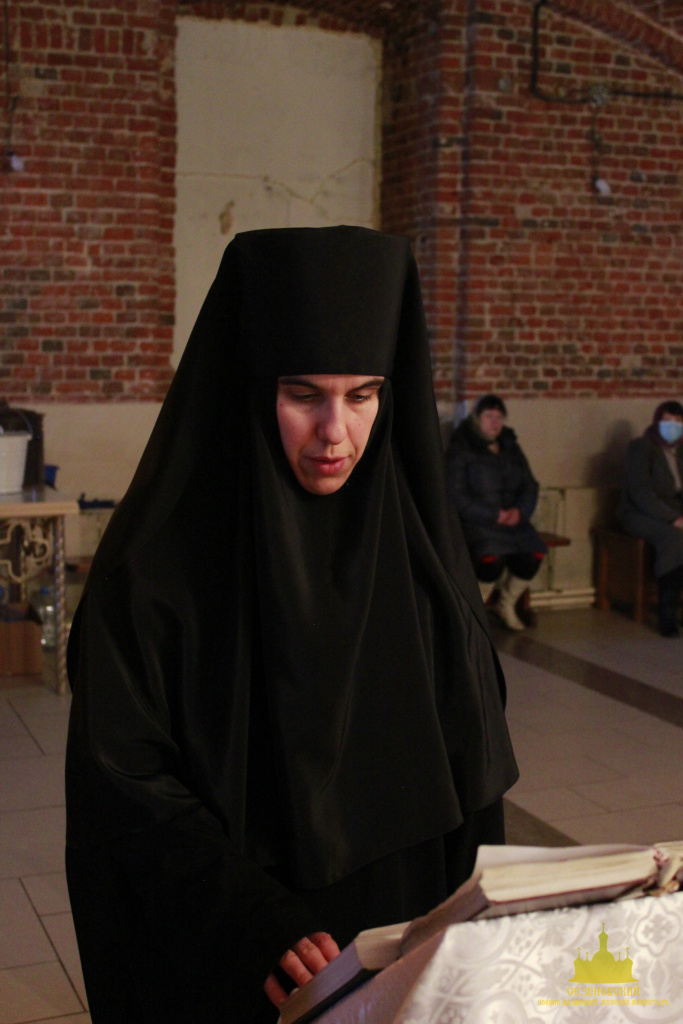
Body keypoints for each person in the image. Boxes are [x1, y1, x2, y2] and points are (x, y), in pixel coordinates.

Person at [65, 226, 518, 1024]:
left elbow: (471, 775)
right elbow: (123, 783)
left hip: (401, 947)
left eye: (363, 395)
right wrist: (248, 918)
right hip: (242, 957)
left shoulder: (423, 565)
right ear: (250, 388)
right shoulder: (155, 576)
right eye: (304, 395)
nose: (335, 431)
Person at [444, 394, 547, 631]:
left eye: (499, 417)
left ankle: (506, 605)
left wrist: (520, 511)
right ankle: (474, 612)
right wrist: (493, 515)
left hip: (513, 522)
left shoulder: (510, 447)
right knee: (491, 560)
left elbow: (530, 484)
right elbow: (455, 495)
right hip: (477, 522)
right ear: (476, 418)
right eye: (489, 416)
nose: (495, 422)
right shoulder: (461, 449)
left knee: (533, 555)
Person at [620, 400, 683, 637]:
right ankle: (667, 612)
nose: (672, 426)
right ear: (657, 422)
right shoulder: (641, 448)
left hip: (676, 511)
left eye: (678, 422)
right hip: (641, 513)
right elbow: (641, 492)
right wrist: (673, 518)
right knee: (674, 538)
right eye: (667, 421)